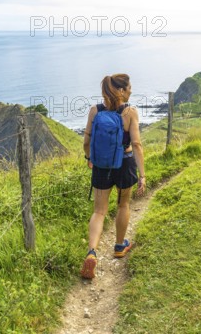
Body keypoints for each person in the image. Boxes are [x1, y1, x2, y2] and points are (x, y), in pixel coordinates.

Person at [81, 74, 146, 279]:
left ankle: (92, 252)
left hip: (101, 165)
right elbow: (136, 144)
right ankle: (119, 246)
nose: (131, 91)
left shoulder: (95, 110)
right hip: (124, 163)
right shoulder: (130, 112)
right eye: (129, 88)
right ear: (121, 90)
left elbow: (86, 140)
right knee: (123, 205)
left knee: (99, 211)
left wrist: (90, 158)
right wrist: (142, 175)